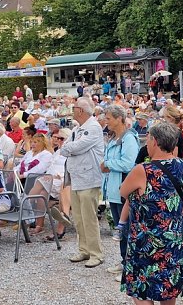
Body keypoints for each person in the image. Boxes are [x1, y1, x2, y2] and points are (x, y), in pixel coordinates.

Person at [119, 122, 183, 304]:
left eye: (147, 140)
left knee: (141, 288)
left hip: (147, 238)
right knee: (168, 286)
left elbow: (123, 192)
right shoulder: (179, 164)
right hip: (174, 236)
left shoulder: (143, 170)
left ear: (154, 141)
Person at [60, 96, 105, 268]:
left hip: (88, 178)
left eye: (74, 108)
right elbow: (65, 147)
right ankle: (84, 249)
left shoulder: (93, 127)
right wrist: (69, 148)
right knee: (78, 218)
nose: (72, 111)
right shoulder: (77, 129)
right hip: (76, 178)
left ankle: (96, 253)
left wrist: (69, 148)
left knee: (89, 218)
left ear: (81, 110)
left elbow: (75, 147)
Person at [100, 105, 140, 276]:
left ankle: (132, 266)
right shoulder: (114, 138)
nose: (106, 121)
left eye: (109, 118)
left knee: (128, 229)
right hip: (115, 191)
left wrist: (107, 165)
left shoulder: (128, 139)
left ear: (119, 119)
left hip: (124, 191)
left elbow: (128, 163)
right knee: (121, 230)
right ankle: (125, 262)